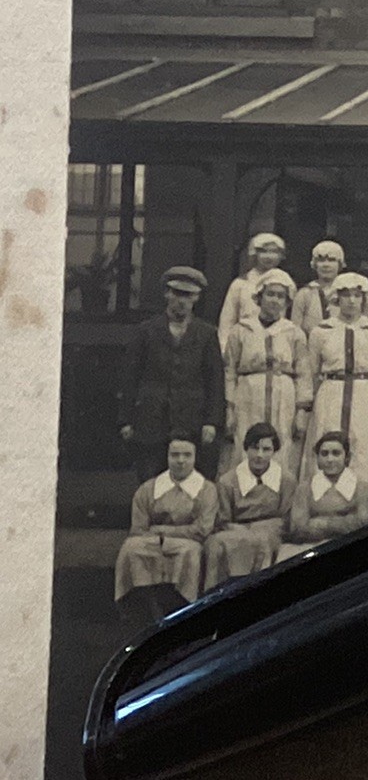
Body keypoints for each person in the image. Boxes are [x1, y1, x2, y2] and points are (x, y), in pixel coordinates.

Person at [118, 266, 226, 480]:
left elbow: (215, 380)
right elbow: (131, 377)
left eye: (188, 295)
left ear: (196, 298)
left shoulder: (207, 334)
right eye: (177, 293)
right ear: (167, 293)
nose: (182, 301)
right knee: (150, 480)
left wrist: (211, 422)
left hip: (191, 421)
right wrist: (126, 419)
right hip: (151, 421)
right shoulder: (146, 331)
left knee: (192, 483)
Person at [113, 433, 219, 624]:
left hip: (190, 544)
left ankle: (183, 609)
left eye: (187, 455)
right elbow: (138, 528)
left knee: (189, 554)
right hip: (151, 542)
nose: (181, 461)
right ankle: (140, 610)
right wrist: (156, 536)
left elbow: (202, 529)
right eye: (175, 455)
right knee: (131, 548)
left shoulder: (207, 490)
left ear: (195, 458)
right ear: (167, 457)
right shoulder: (148, 489)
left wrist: (162, 532)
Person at [223, 267, 311, 481]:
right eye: (270, 294)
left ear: (287, 302)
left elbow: (303, 374)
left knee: (282, 446)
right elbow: (229, 371)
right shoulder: (241, 330)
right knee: (246, 442)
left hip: (284, 398)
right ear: (259, 297)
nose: (274, 300)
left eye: (281, 296)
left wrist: (301, 412)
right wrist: (230, 408)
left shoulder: (294, 333)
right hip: (249, 394)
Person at [303, 272, 368, 489]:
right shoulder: (321, 331)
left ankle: (364, 497)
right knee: (328, 438)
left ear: (364, 299)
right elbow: (311, 370)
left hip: (363, 392)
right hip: (331, 391)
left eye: (357, 295)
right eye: (346, 295)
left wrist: (365, 389)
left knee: (363, 444)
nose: (351, 301)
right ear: (336, 298)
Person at [205, 421, 296, 586]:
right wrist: (244, 530)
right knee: (215, 544)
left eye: (266, 449)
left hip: (270, 534)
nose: (259, 455)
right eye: (255, 448)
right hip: (235, 531)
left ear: (274, 451)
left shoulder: (286, 480)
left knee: (261, 542)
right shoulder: (228, 481)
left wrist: (259, 529)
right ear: (246, 448)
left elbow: (286, 519)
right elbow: (223, 520)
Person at [276, 430, 368, 560]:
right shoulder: (305, 488)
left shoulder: (361, 487)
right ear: (317, 458)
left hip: (349, 544)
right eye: (324, 454)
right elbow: (298, 527)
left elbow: (362, 522)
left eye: (336, 453)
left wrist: (322, 523)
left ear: (347, 457)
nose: (330, 459)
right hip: (310, 547)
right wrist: (344, 521)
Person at [217, 231, 287, 348]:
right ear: (254, 254)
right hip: (243, 342)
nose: (269, 256)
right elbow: (227, 321)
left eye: (274, 252)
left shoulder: (286, 283)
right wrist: (224, 347)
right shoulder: (240, 284)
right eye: (263, 251)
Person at [292, 240, 347, 339]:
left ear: (340, 264)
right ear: (315, 264)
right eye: (321, 260)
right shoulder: (305, 293)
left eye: (331, 260)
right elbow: (296, 329)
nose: (326, 265)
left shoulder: (347, 292)